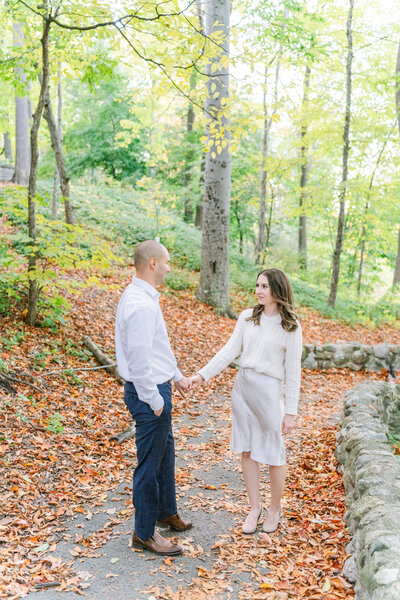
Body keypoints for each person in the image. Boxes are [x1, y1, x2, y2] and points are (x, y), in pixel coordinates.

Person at [191, 268, 302, 535]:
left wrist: (290, 411)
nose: (259, 290)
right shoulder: (247, 317)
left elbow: (293, 370)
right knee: (247, 450)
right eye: (257, 285)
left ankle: (275, 509)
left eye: (265, 286)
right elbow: (229, 350)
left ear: (277, 289)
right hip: (243, 388)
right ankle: (255, 507)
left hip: (269, 391)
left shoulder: (291, 326)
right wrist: (201, 376)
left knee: (274, 452)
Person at [115, 240, 193, 556]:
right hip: (149, 394)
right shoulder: (141, 305)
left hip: (159, 387)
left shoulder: (144, 297)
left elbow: (159, 346)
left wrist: (177, 377)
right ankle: (144, 532)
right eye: (166, 262)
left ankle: (165, 510)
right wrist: (156, 400)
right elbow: (139, 362)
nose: (169, 268)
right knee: (149, 464)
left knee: (166, 453)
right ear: (152, 263)